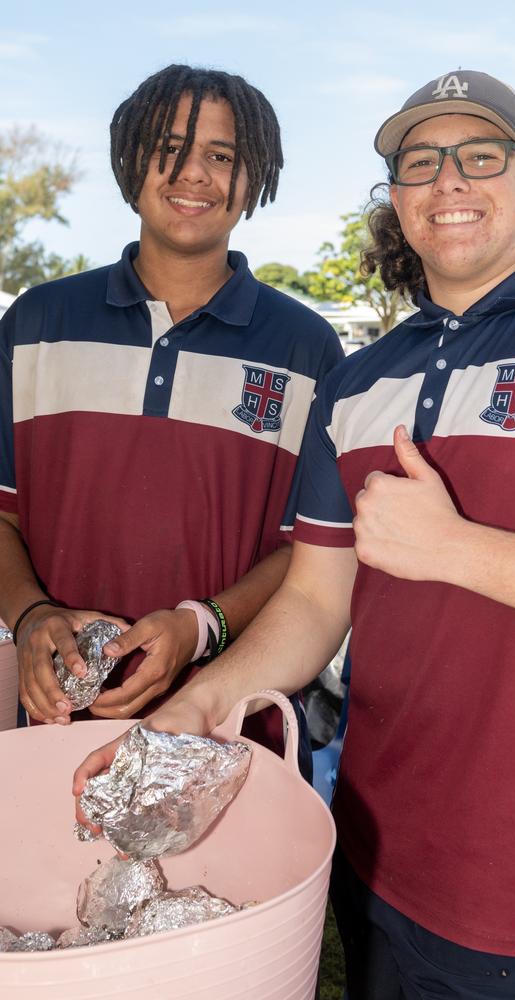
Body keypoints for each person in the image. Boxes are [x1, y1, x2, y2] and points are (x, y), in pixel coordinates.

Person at [75, 70, 515, 999]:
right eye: (420, 163)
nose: (448, 182)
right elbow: (312, 598)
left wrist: (457, 549)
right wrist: (189, 712)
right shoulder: (359, 381)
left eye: (480, 157)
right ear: (396, 202)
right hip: (371, 849)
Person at [0, 63, 342, 763]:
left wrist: (201, 626)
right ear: (130, 161)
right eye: (169, 149)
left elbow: (309, 557)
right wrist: (29, 613)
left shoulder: (307, 346)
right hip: (54, 726)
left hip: (233, 734)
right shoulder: (37, 322)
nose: (194, 175)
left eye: (222, 156)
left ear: (254, 179)